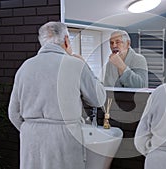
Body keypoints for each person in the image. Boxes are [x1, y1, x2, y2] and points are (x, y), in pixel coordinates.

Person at [8, 21, 106, 169]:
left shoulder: (25, 67)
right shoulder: (75, 65)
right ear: (66, 40)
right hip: (64, 138)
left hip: (31, 139)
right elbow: (98, 99)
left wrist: (32, 129)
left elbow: (13, 113)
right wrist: (85, 66)